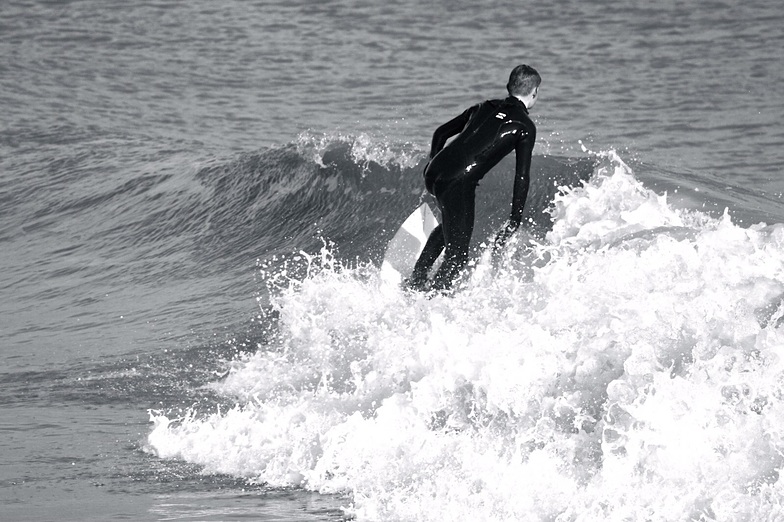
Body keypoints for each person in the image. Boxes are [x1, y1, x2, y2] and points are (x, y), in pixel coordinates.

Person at [406, 64, 541, 291]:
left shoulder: (483, 106)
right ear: (534, 92)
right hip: (458, 182)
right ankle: (432, 299)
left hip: (435, 171)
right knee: (458, 258)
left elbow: (440, 133)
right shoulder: (524, 125)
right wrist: (515, 218)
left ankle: (417, 279)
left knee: (449, 225)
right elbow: (522, 176)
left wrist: (431, 165)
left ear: (509, 87)